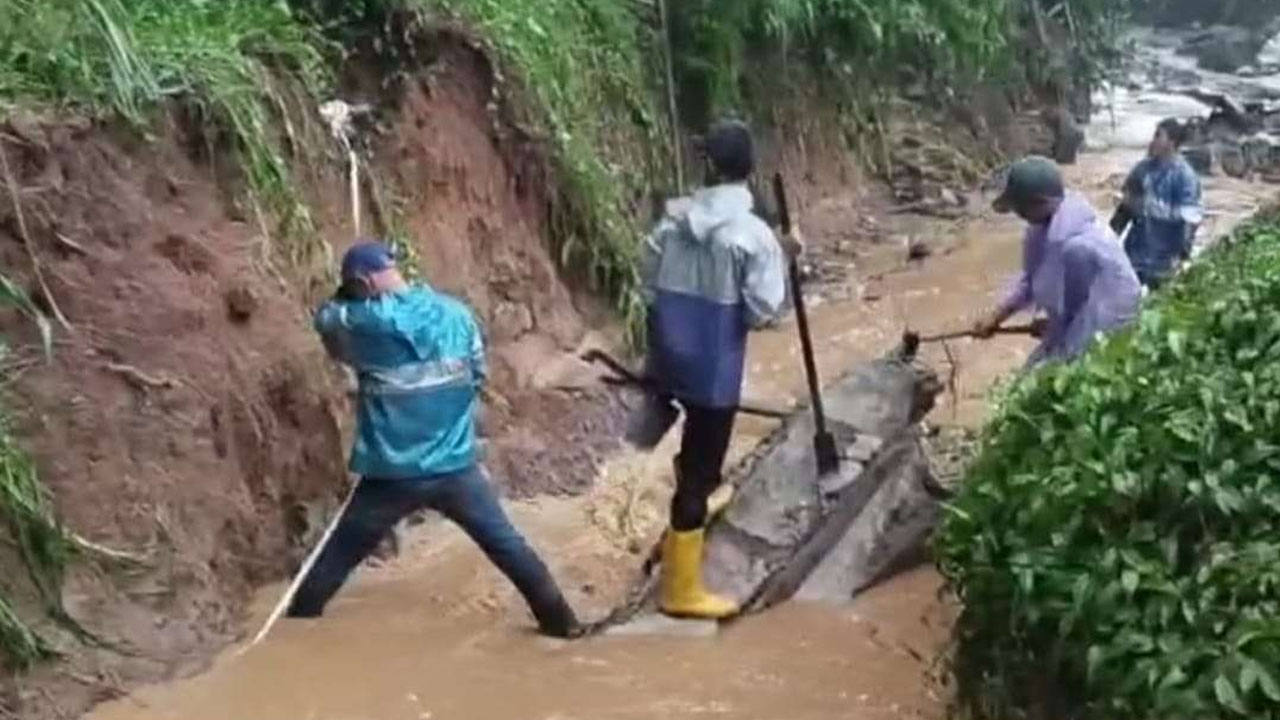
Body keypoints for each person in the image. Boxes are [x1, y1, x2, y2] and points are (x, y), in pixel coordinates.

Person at [286, 241, 581, 638]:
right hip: (456, 466)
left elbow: (326, 322)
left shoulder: (368, 323)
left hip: (392, 473)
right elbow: (477, 375)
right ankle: (563, 624)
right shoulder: (456, 314)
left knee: (339, 554)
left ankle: (296, 629)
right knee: (508, 546)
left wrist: (348, 296)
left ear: (360, 282)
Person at [637, 119, 799, 619]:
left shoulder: (670, 225)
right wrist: (790, 260)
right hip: (713, 370)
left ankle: (677, 533)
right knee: (700, 474)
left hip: (667, 355)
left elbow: (647, 287)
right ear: (748, 170)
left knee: (687, 453)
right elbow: (764, 311)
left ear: (708, 166)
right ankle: (681, 591)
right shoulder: (753, 237)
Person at [973, 156, 1141, 368]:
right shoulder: (1040, 229)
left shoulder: (1078, 247)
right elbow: (1030, 282)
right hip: (1072, 321)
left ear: (1039, 202)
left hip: (1102, 330)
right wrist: (996, 316)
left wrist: (1054, 326)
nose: (1018, 214)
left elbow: (1078, 311)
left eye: (1020, 208)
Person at [1111, 118, 1203, 290]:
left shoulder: (1185, 177)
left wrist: (1183, 257)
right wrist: (1109, 239)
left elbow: (1191, 221)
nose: (1152, 141)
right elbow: (1124, 209)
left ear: (1172, 142)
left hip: (1165, 262)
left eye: (1158, 136)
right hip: (1134, 256)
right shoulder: (1141, 170)